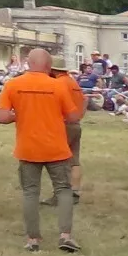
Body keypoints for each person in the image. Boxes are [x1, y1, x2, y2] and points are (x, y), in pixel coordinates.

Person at [0, 48, 84, 253]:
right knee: (63, 190)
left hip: (28, 147)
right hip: (56, 148)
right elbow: (72, 117)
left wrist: (20, 114)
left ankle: (33, 239)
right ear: (47, 66)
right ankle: (65, 236)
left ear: (28, 64)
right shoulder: (58, 86)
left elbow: (1, 117)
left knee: (30, 192)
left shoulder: (13, 84)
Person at [43, 64, 86, 207]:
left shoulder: (58, 83)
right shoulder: (72, 81)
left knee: (58, 160)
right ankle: (74, 193)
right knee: (74, 160)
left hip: (63, 124)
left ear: (53, 70)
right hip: (75, 124)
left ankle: (60, 195)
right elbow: (84, 100)